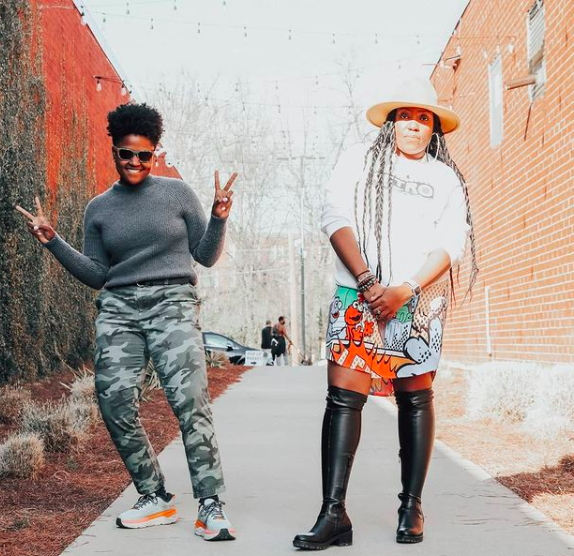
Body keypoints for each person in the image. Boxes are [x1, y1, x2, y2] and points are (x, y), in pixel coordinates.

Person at [16, 103, 238, 541]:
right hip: (119, 307)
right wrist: (53, 241)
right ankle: (153, 495)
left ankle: (210, 505)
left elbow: (206, 256)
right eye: (126, 153)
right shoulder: (99, 208)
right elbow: (97, 274)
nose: (135, 162)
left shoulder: (178, 194)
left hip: (172, 301)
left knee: (189, 400)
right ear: (114, 151)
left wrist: (218, 217)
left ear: (155, 153)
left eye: (144, 155)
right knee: (114, 401)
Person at [293, 77, 478, 549]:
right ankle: (334, 514)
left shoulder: (444, 178)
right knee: (343, 399)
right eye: (405, 115)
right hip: (358, 296)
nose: (413, 124)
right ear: (392, 121)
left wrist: (405, 289)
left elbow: (452, 242)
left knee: (414, 398)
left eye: (423, 117)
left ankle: (411, 507)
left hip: (418, 301)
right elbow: (334, 216)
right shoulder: (359, 159)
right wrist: (367, 282)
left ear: (434, 127)